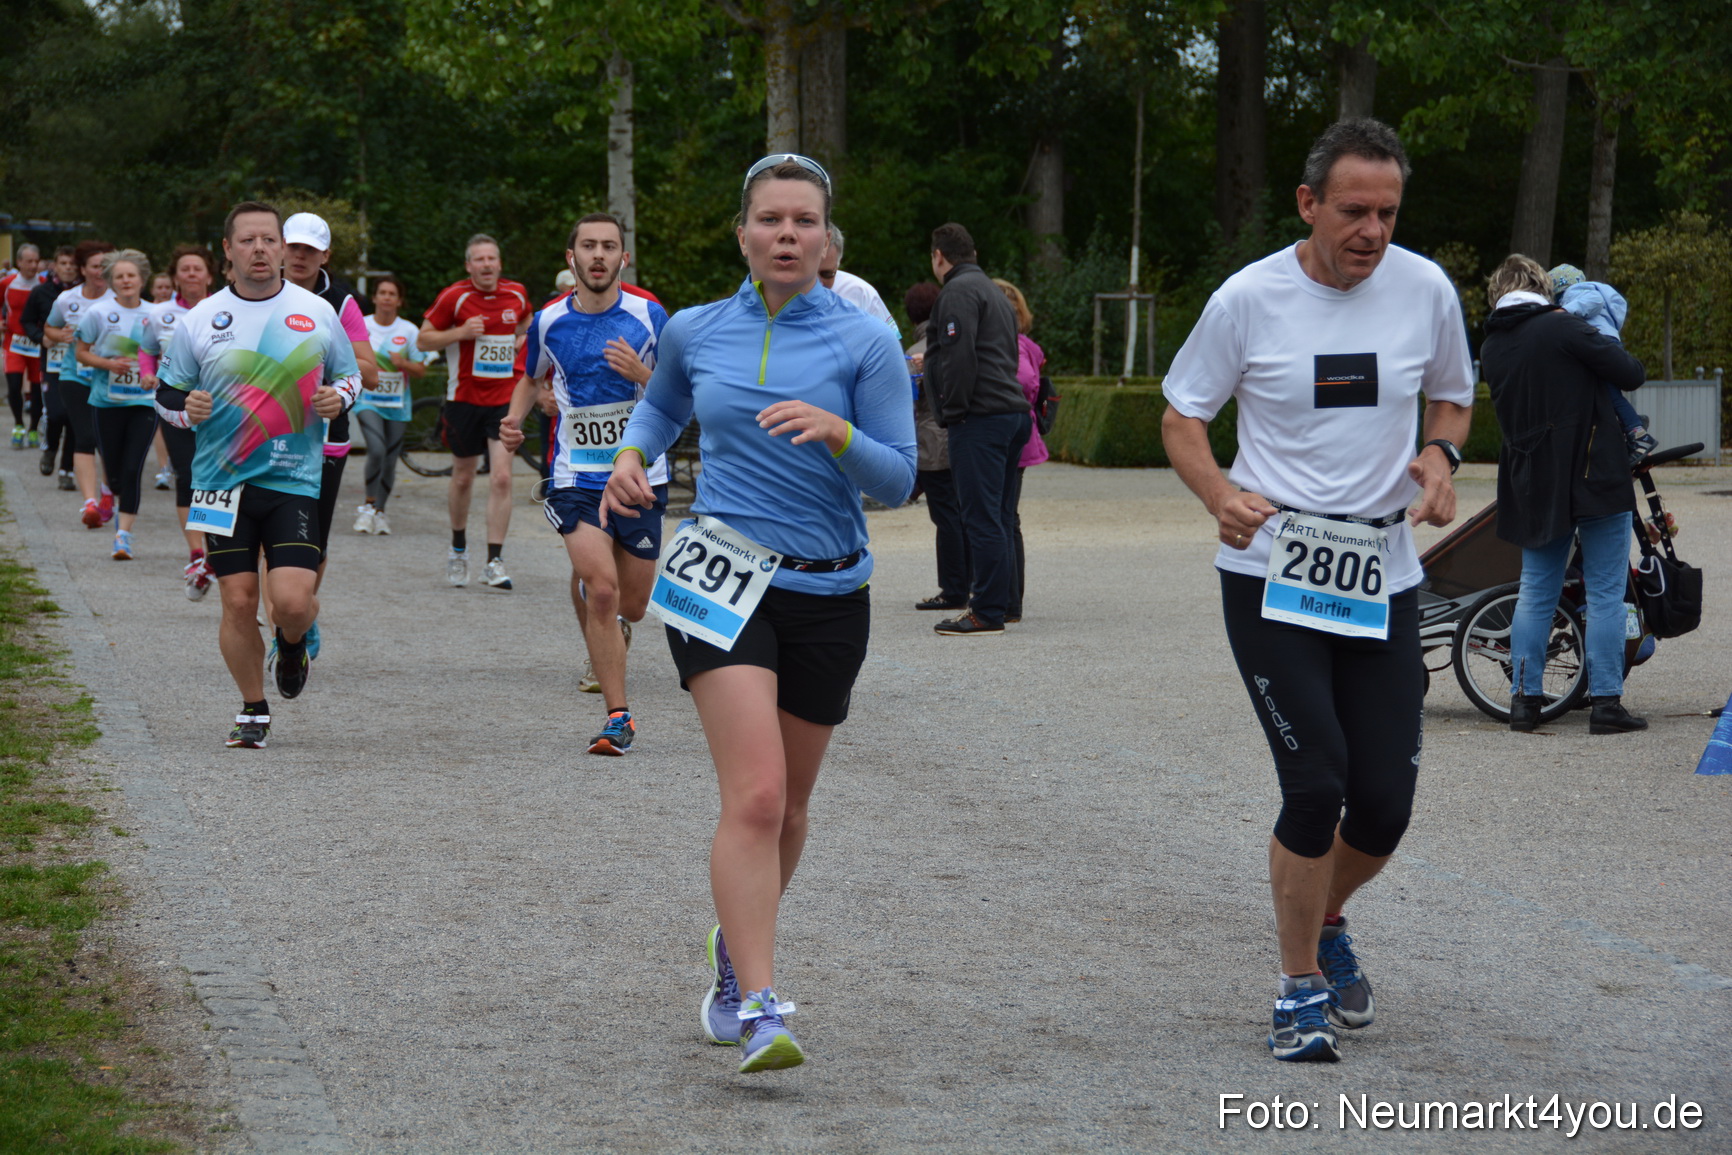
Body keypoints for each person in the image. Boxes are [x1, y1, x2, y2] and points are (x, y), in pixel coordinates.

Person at [1159, 117, 1474, 1063]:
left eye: (1387, 212)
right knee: (1317, 781)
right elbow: (1181, 415)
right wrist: (1219, 494)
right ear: (1308, 204)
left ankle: (1329, 916)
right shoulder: (1248, 298)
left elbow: (1455, 395)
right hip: (1272, 572)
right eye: (1353, 211)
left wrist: (1441, 453)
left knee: (1383, 803)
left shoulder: (1424, 289)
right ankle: (1296, 985)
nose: (1372, 231)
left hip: (1382, 571)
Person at [602, 154, 914, 1073]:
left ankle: (734, 947)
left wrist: (840, 433)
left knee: (792, 806)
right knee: (759, 792)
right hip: (720, 577)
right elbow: (659, 410)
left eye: (804, 222)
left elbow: (898, 478)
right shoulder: (697, 329)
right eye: (771, 220)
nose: (787, 235)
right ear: (742, 232)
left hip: (829, 587)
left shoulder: (865, 342)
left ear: (827, 240)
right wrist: (630, 457)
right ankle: (762, 1003)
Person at [154, 200, 360, 749]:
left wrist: (336, 398)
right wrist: (184, 410)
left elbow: (351, 376)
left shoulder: (316, 311)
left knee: (292, 602)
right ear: (227, 251)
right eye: (247, 240)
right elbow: (167, 394)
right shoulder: (200, 319)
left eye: (269, 239)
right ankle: (252, 709)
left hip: (293, 477)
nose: (261, 249)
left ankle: (291, 643)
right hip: (220, 480)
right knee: (239, 601)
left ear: (281, 245)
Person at [500, 212, 668, 755]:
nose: (599, 255)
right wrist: (513, 419)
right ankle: (618, 717)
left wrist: (644, 377)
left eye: (609, 247)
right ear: (572, 259)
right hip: (576, 475)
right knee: (601, 589)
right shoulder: (548, 320)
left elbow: (681, 390)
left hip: (641, 471)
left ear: (624, 258)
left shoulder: (649, 315)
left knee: (635, 604)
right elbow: (532, 377)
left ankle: (616, 623)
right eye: (588, 247)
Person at [1480, 255, 1648, 735]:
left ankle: (1524, 704)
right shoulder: (1564, 327)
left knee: (1536, 593)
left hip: (1533, 482)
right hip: (1595, 473)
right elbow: (1629, 372)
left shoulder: (1493, 346)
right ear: (1543, 288)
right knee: (1605, 594)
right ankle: (1606, 704)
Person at [279, 212, 379, 661]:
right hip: (261, 436)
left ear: (325, 255)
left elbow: (370, 373)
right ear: (281, 248)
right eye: (293, 247)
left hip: (323, 440)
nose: (299, 256)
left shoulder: (341, 303)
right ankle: (284, 633)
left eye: (309, 250)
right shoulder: (257, 293)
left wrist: (332, 381)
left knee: (312, 541)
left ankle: (300, 615)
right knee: (269, 537)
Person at [923, 222, 1029, 636]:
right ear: (974, 254)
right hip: (1011, 413)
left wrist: (953, 409)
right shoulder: (993, 292)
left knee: (981, 518)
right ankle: (1006, 604)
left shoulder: (957, 292)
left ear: (938, 256)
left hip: (981, 418)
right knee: (1001, 517)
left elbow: (958, 357)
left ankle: (985, 611)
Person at [418, 234, 530, 590]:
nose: (485, 265)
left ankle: (494, 561)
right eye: (478, 259)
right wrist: (461, 331)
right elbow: (423, 339)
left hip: (502, 400)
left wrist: (520, 340)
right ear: (469, 266)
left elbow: (527, 323)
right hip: (463, 399)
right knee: (464, 476)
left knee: (501, 477)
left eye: (491, 259)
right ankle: (458, 549)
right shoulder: (455, 296)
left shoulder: (516, 294)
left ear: (499, 263)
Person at [139, 245, 221, 597]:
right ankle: (198, 553)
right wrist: (148, 374)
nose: (190, 274)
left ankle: (215, 556)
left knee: (218, 478)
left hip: (220, 411)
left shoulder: (224, 309)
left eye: (197, 268)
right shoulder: (161, 314)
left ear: (209, 276)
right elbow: (146, 350)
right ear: (174, 277)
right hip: (178, 407)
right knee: (188, 475)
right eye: (184, 269)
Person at [75, 250, 158, 561]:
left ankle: (123, 536)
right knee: (114, 468)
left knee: (133, 467)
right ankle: (109, 490)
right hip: (106, 402)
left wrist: (153, 373)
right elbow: (81, 353)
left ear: (142, 279)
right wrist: (107, 364)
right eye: (119, 276)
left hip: (144, 403)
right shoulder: (98, 313)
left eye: (131, 276)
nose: (125, 281)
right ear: (111, 281)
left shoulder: (155, 314)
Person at [1547, 264, 1658, 465]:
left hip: (1600, 342)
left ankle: (1638, 434)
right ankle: (1632, 423)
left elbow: (1594, 301)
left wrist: (1563, 311)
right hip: (1607, 341)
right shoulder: (1585, 293)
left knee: (1608, 392)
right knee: (1607, 392)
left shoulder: (1576, 292)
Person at [904, 280, 970, 611]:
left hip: (932, 445)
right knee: (962, 514)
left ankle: (953, 588)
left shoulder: (916, 353)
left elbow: (907, 404)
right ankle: (970, 581)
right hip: (957, 437)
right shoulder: (953, 340)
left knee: (945, 519)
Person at [45, 240, 117, 526]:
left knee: (107, 441)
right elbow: (49, 326)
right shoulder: (67, 299)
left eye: (105, 266)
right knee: (85, 436)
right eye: (96, 266)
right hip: (74, 375)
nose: (101, 271)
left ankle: (107, 493)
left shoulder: (118, 298)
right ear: (83, 270)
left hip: (110, 377)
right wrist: (59, 335)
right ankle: (89, 503)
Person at [991, 277, 1048, 623]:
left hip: (1011, 431)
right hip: (1019, 429)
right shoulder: (1025, 345)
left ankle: (1009, 600)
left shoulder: (1018, 346)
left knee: (1004, 516)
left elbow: (1027, 383)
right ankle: (1008, 597)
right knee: (1006, 517)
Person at [354, 275, 428, 535]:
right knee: (376, 449)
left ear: (399, 300)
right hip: (367, 400)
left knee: (390, 458)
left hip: (397, 404)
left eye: (391, 294)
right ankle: (367, 507)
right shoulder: (361, 326)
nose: (386, 297)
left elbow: (420, 370)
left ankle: (380, 513)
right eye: (382, 293)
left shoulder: (409, 330)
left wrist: (404, 364)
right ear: (374, 298)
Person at [22, 246, 79, 488]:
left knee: (76, 418)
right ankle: (50, 448)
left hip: (81, 366)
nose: (68, 267)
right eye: (63, 263)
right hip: (53, 364)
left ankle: (67, 470)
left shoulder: (86, 294)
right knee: (56, 413)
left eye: (72, 263)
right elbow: (25, 321)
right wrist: (41, 337)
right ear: (54, 265)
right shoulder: (40, 292)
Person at [818, 225, 899, 336]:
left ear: (837, 266)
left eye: (827, 274)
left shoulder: (862, 293)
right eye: (810, 274)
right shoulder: (786, 292)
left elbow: (894, 340)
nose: (818, 282)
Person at [2, 244, 45, 449]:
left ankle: (34, 428)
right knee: (13, 385)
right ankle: (18, 424)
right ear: (19, 262)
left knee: (37, 390)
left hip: (37, 344)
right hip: (14, 342)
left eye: (36, 261)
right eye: (29, 261)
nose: (33, 265)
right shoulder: (8, 283)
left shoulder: (44, 284)